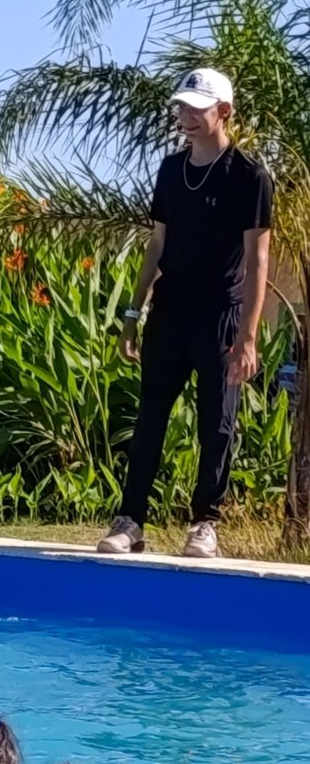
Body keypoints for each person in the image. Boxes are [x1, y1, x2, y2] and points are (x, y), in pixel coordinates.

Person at [99, 68, 273, 560]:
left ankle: (205, 524)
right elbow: (157, 245)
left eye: (198, 108)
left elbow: (258, 259)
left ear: (224, 112)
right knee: (150, 418)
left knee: (217, 424)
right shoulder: (172, 171)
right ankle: (130, 521)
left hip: (220, 317)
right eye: (182, 107)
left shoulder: (250, 177)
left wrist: (248, 337)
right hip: (169, 312)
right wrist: (133, 313)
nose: (187, 116)